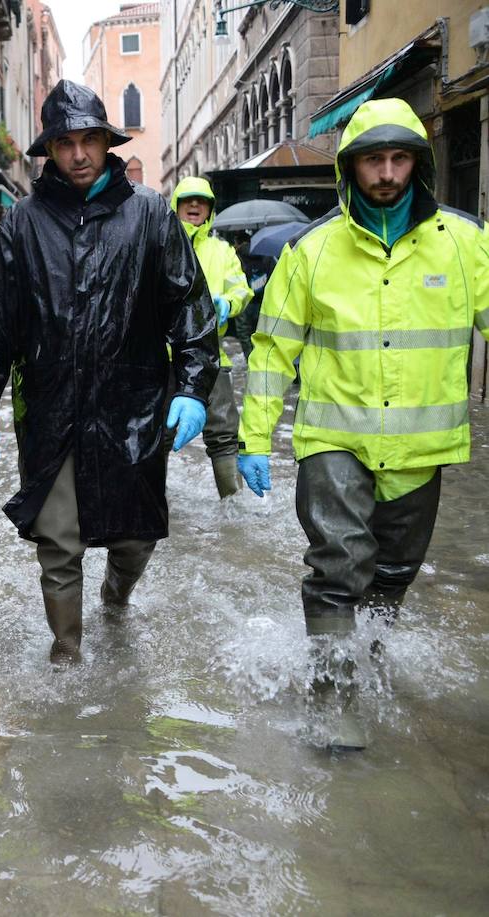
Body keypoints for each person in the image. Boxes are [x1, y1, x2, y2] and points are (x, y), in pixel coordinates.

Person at [237, 97, 489, 748]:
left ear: (418, 163)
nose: (385, 173)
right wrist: (254, 438)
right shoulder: (311, 250)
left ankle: (367, 661)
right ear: (350, 168)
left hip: (420, 447)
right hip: (333, 439)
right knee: (337, 566)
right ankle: (333, 697)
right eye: (372, 159)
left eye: (398, 157)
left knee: (393, 575)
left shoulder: (466, 244)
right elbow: (271, 350)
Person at [0, 80, 217, 664]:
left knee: (136, 535)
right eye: (64, 143)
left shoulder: (151, 214)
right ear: (49, 152)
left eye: (89, 140)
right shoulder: (23, 225)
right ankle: (66, 655)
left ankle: (116, 595)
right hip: (51, 410)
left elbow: (190, 308)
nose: (78, 154)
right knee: (58, 539)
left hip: (131, 407)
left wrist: (192, 387)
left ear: (106, 144)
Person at [171, 177, 254, 497]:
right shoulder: (159, 246)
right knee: (155, 437)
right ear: (175, 206)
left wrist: (228, 303)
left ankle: (231, 505)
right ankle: (152, 510)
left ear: (210, 209)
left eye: (202, 201)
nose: (194, 206)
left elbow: (242, 291)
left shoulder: (222, 251)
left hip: (211, 354)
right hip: (163, 358)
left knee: (223, 433)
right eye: (188, 200)